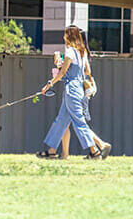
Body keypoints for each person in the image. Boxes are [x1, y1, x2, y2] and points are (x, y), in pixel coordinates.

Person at [36, 26, 109, 160]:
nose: (64, 37)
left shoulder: (70, 52)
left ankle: (95, 152)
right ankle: (51, 152)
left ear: (69, 36)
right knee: (61, 120)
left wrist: (49, 84)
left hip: (71, 90)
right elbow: (86, 72)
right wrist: (63, 65)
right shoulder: (82, 52)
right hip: (78, 89)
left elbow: (63, 72)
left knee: (79, 122)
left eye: (65, 35)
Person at [58, 38, 111, 158]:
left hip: (75, 91)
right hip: (79, 91)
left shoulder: (77, 53)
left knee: (75, 123)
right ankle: (67, 154)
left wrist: (62, 66)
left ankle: (99, 146)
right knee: (70, 123)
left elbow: (86, 71)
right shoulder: (82, 52)